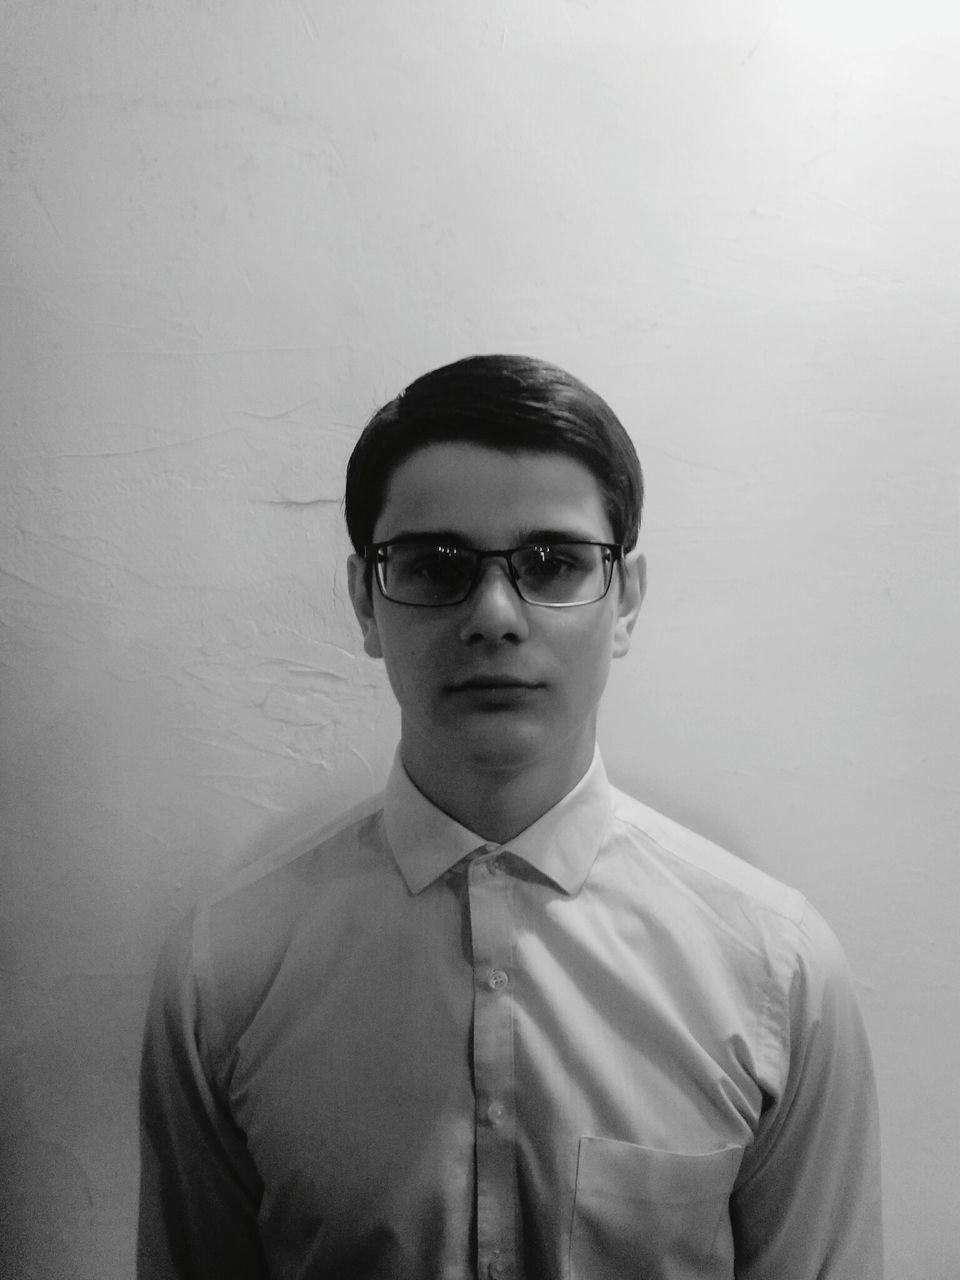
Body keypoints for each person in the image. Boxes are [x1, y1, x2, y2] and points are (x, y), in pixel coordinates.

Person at [137, 354, 883, 1279]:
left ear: (627, 600)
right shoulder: (226, 974)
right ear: (365, 600)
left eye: (554, 563)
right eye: (433, 565)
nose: (494, 614)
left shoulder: (777, 974)